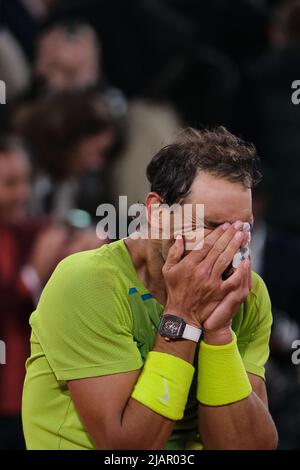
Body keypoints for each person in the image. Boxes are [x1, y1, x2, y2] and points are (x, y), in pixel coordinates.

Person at [22, 127, 278, 450]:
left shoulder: (247, 293)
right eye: (211, 225)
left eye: (243, 229)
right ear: (157, 212)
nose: (229, 247)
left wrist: (219, 334)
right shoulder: (87, 282)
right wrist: (183, 318)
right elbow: (126, 449)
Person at [0, 136, 105, 449]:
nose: (24, 193)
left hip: (35, 407)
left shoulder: (32, 233)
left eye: (26, 181)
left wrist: (87, 255)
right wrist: (33, 273)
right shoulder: (34, 246)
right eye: (10, 183)